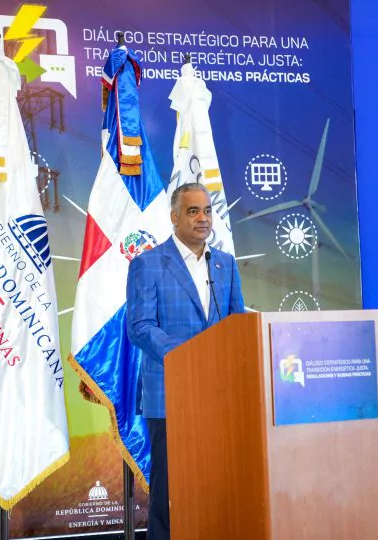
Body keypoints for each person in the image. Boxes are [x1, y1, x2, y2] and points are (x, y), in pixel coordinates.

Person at [126, 182, 245, 540]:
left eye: (207, 211)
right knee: (170, 493)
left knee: (217, 486)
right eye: (193, 211)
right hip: (170, 394)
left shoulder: (224, 264)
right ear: (174, 217)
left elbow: (237, 322)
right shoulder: (148, 264)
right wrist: (186, 356)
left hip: (219, 396)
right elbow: (140, 327)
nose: (202, 218)